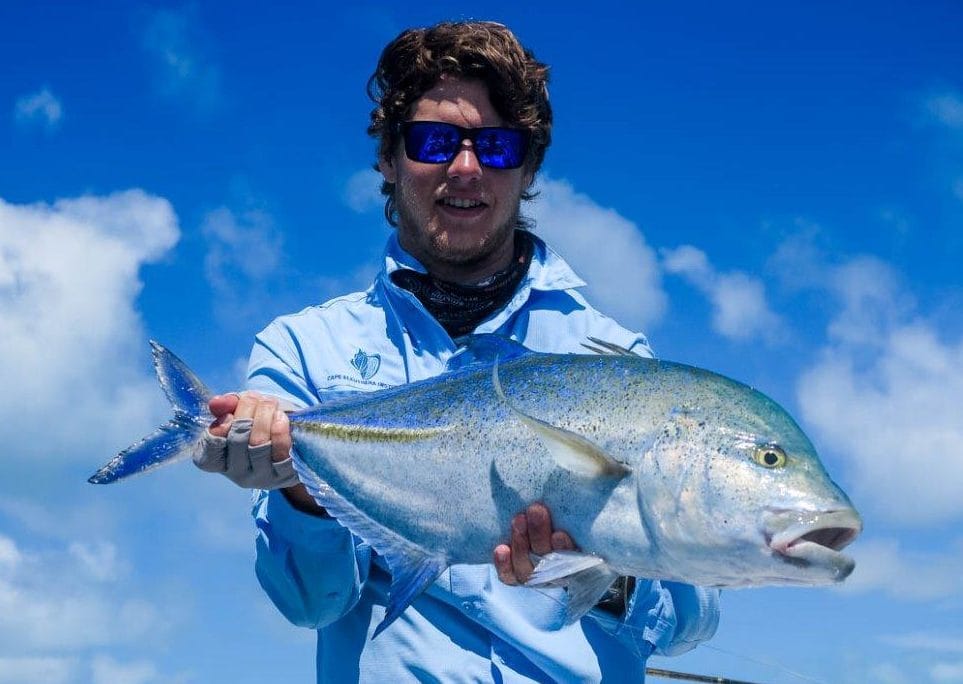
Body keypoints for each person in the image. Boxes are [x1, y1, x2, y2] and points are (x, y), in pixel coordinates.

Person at [198, 20, 720, 682]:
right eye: (434, 141)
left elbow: (692, 617)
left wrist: (595, 576)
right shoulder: (304, 349)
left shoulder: (616, 359)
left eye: (497, 146)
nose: (466, 168)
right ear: (388, 159)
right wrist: (301, 493)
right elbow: (311, 604)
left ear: (527, 167)